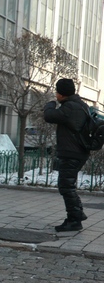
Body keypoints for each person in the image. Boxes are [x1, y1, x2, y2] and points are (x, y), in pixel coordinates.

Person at [44, 78, 90, 232]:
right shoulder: (79, 105)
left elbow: (49, 116)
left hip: (72, 152)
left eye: (57, 92)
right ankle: (77, 214)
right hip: (77, 152)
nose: (56, 95)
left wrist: (50, 105)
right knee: (68, 186)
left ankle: (74, 220)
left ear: (62, 94)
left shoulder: (70, 107)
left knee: (66, 187)